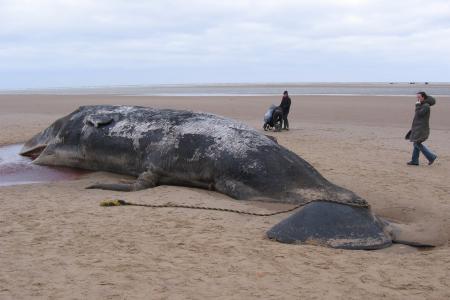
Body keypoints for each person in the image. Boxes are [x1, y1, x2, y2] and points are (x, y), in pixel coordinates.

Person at [405, 91, 437, 166]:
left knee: (417, 143)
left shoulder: (426, 105)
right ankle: (415, 161)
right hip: (417, 127)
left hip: (421, 128)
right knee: (416, 143)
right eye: (417, 97)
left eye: (419, 97)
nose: (417, 99)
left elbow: (419, 114)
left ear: (423, 97)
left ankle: (431, 157)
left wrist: (417, 105)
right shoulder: (423, 104)